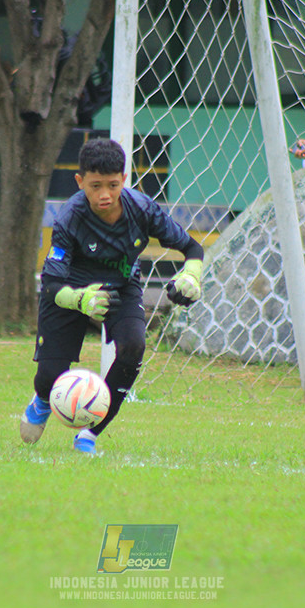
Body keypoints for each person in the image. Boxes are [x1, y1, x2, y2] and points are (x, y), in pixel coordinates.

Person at [19, 138, 204, 453]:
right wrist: (80, 300)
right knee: (49, 378)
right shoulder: (69, 218)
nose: (104, 194)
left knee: (134, 347)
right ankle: (44, 398)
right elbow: (50, 284)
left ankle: (89, 435)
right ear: (80, 182)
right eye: (95, 186)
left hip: (121, 287)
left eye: (113, 185)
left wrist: (191, 276)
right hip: (70, 291)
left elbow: (193, 248)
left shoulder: (143, 209)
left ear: (124, 179)